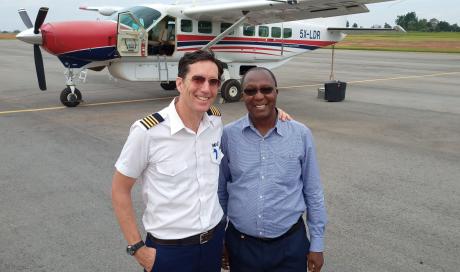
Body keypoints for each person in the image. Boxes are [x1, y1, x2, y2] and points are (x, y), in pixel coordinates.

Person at [112, 50, 226, 272]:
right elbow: (119, 190)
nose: (206, 88)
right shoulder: (148, 132)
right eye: (198, 79)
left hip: (213, 242)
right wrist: (138, 249)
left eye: (213, 82)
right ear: (180, 83)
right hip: (169, 252)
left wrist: (276, 113)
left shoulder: (215, 120)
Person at [218, 67, 327, 272]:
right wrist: (219, 237)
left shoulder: (300, 134)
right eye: (250, 91)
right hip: (241, 246)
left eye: (266, 89)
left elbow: (313, 191)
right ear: (243, 96)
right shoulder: (228, 135)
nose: (259, 96)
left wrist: (317, 243)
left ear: (276, 92)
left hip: (290, 246)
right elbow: (221, 191)